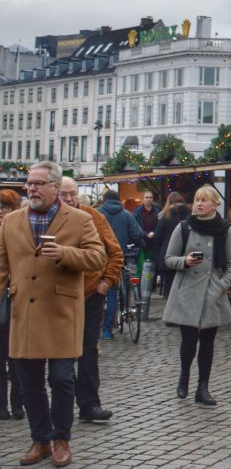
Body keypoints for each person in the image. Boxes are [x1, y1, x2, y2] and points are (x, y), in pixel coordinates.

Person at [0, 161, 106, 467]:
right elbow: (3, 267)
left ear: (55, 187)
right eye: (29, 184)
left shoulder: (79, 219)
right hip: (24, 315)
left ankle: (62, 440)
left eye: (38, 183)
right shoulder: (12, 222)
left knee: (61, 380)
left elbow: (98, 256)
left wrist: (65, 254)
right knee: (28, 383)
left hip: (61, 313)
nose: (31, 188)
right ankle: (40, 440)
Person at [163, 184, 231, 405]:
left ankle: (203, 387)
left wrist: (220, 286)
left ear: (216, 204)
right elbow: (168, 258)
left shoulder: (225, 230)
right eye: (197, 199)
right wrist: (185, 261)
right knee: (188, 341)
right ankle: (184, 376)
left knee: (208, 342)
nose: (199, 204)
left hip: (211, 293)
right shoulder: (184, 227)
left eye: (205, 200)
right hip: (186, 290)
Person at [58, 177, 124, 424]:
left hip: (90, 293)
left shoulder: (93, 216)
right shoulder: (48, 219)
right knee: (59, 353)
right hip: (57, 296)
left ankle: (89, 404)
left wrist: (106, 283)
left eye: (72, 194)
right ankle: (60, 404)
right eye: (63, 195)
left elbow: (115, 252)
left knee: (87, 351)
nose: (68, 199)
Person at [98, 190, 144, 339]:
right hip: (120, 257)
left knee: (106, 293)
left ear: (104, 200)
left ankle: (104, 330)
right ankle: (109, 328)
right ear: (118, 201)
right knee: (115, 293)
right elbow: (137, 235)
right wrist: (140, 243)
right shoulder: (126, 215)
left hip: (101, 259)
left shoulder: (97, 214)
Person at [0, 188, 24, 422]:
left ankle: (18, 404)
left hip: (18, 300)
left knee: (17, 357)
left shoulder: (19, 230)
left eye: (5, 207)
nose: (1, 212)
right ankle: (1, 406)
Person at [154, 192, 188, 297]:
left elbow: (157, 237)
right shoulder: (189, 215)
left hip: (168, 254)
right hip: (186, 255)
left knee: (170, 290)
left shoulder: (165, 216)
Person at [132, 190, 160, 277]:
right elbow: (135, 226)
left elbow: (160, 225)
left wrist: (155, 233)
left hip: (153, 242)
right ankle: (141, 286)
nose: (148, 199)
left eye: (150, 197)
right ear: (143, 199)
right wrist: (145, 234)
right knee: (141, 267)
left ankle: (151, 286)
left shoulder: (157, 211)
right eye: (146, 197)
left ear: (153, 199)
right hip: (141, 242)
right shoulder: (137, 212)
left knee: (152, 266)